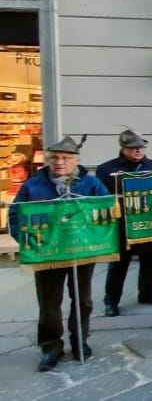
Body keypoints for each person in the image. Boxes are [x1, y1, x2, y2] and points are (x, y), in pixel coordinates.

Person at [9, 136, 111, 371]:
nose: (60, 162)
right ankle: (50, 346)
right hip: (48, 254)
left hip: (81, 251)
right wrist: (29, 242)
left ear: (76, 160)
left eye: (66, 158)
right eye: (55, 157)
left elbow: (107, 210)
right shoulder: (33, 185)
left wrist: (97, 238)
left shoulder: (90, 184)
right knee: (49, 303)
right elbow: (15, 215)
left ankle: (80, 341)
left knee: (83, 300)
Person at [97, 129, 152, 318]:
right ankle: (111, 301)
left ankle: (146, 292)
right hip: (122, 225)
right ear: (123, 149)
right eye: (133, 148)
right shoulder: (106, 169)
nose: (138, 151)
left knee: (151, 260)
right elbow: (101, 199)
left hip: (149, 222)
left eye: (141, 147)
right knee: (118, 265)